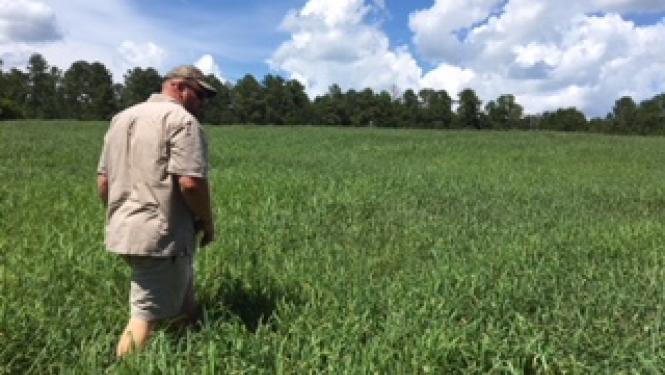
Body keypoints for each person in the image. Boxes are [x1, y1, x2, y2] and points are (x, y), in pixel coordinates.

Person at [96, 65, 217, 357]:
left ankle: (186, 355)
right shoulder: (182, 121)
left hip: (126, 230)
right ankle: (124, 365)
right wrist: (207, 221)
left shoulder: (122, 118)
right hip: (161, 237)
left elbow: (104, 181)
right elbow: (190, 183)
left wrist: (120, 215)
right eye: (200, 95)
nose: (203, 103)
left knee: (184, 300)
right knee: (145, 318)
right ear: (180, 87)